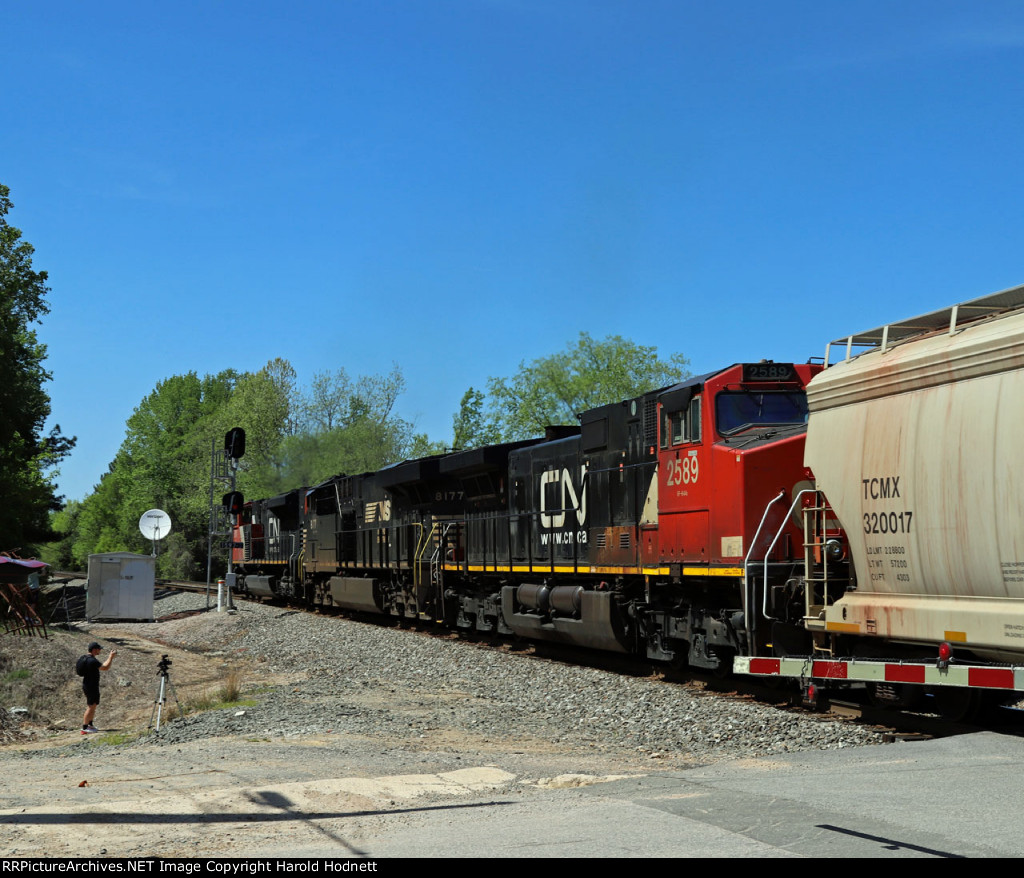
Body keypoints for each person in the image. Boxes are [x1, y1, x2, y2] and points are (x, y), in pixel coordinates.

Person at [79, 642, 116, 734]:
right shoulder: (92, 660)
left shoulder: (84, 658)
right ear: (94, 649)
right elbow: (105, 667)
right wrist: (111, 657)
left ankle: (90, 725)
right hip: (91, 686)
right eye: (99, 649)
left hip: (89, 685)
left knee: (93, 705)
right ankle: (85, 727)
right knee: (91, 706)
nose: (100, 650)